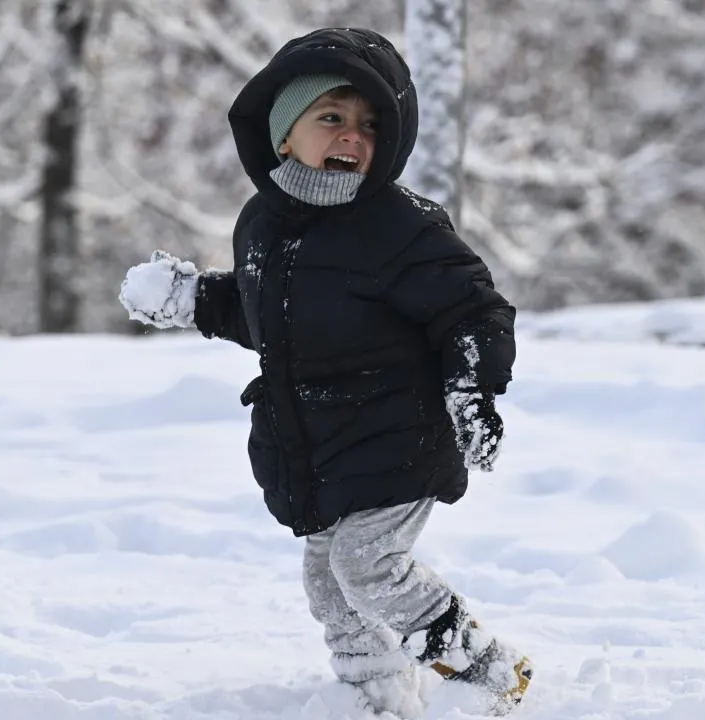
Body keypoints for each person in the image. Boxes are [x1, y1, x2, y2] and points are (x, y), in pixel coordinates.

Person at [117, 27, 530, 719]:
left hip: (401, 434)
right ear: (285, 132)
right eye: (331, 117)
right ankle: (376, 697)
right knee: (330, 584)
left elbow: (471, 310)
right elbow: (270, 317)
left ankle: (488, 673)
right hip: (320, 446)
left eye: (370, 125)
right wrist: (193, 299)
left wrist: (470, 389)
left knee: (368, 567)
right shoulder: (262, 224)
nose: (353, 136)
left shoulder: (401, 226)